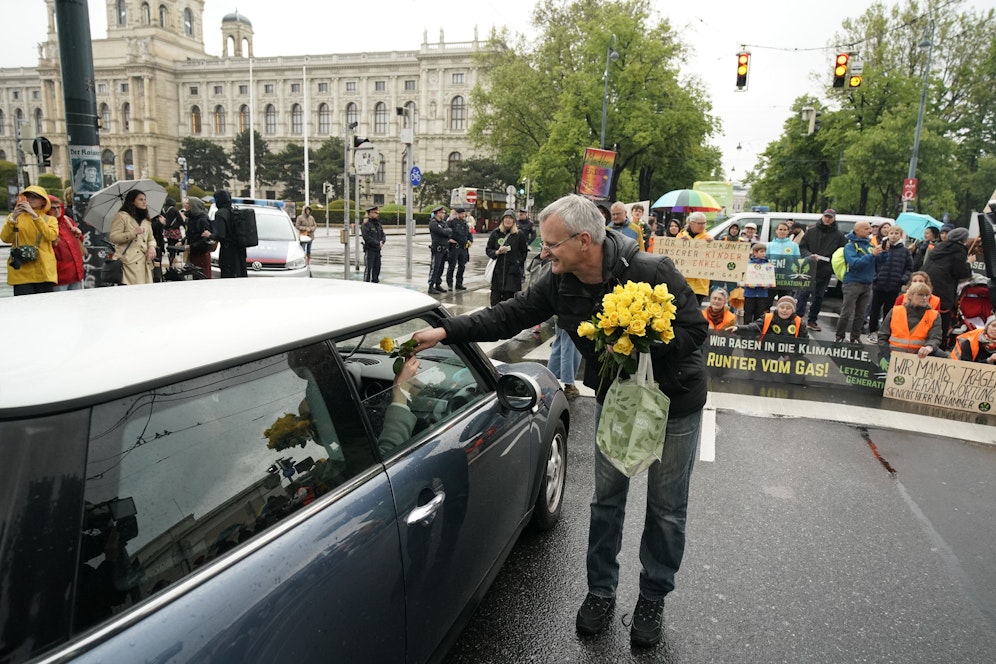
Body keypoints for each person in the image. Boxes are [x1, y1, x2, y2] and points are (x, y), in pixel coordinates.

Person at [411, 194, 708, 649]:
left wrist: (641, 342)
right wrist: (446, 330)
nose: (544, 251)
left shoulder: (651, 270)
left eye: (551, 244)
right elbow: (509, 315)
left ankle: (653, 596)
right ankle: (600, 590)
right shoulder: (558, 281)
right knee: (606, 501)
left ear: (583, 240)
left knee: (666, 509)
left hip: (675, 403)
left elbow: (695, 331)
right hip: (618, 403)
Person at [923, 227, 975, 346]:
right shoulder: (959, 250)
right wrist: (969, 263)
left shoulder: (939, 247)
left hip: (929, 284)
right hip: (944, 289)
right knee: (942, 316)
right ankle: (939, 344)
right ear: (963, 239)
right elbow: (961, 272)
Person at [2, 186, 59, 295]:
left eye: (35, 197)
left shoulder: (50, 219)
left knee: (45, 304)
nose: (31, 199)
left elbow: (51, 236)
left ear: (43, 201)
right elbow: (5, 238)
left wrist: (34, 216)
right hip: (21, 272)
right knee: (24, 304)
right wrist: (13, 218)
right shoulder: (14, 217)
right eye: (27, 196)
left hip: (43, 271)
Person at [796, 209, 846, 332]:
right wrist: (809, 256)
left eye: (830, 217)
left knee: (819, 296)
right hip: (809, 268)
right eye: (826, 216)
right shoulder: (811, 231)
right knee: (803, 294)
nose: (827, 219)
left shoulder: (839, 235)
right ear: (822, 217)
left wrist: (831, 263)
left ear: (834, 218)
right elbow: (802, 247)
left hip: (825, 270)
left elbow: (841, 252)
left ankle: (812, 320)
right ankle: (798, 319)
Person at [835, 221, 878, 344]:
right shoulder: (850, 246)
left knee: (861, 313)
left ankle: (855, 336)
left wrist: (883, 253)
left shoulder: (870, 245)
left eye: (870, 228)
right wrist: (872, 255)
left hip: (867, 283)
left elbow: (879, 262)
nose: (870, 231)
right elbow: (854, 263)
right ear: (857, 230)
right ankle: (839, 336)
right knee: (847, 312)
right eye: (866, 229)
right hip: (853, 283)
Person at [867, 225, 913, 341]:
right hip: (879, 283)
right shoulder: (881, 248)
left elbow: (909, 267)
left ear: (900, 235)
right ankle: (872, 331)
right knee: (874, 310)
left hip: (894, 285)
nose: (893, 236)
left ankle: (885, 333)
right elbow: (873, 263)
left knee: (889, 311)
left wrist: (903, 279)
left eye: (896, 234)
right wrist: (875, 276)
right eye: (891, 233)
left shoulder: (905, 251)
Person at [876, 282, 942, 360]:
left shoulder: (934, 315)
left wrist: (929, 347)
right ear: (910, 296)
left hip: (919, 358)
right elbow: (882, 336)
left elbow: (935, 338)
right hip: (892, 355)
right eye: (920, 295)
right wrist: (887, 355)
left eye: (927, 295)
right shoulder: (895, 311)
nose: (924, 298)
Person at [109, 189, 157, 285]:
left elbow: (151, 238)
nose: (144, 202)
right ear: (132, 201)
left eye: (145, 199)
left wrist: (152, 247)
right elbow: (114, 237)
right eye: (140, 199)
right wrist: (133, 233)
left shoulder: (146, 220)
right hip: (128, 263)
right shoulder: (121, 216)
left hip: (144, 262)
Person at [486, 210, 528, 305]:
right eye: (506, 218)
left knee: (510, 303)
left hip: (512, 275)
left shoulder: (519, 235)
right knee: (495, 302)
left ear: (514, 221)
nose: (508, 220)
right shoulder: (496, 233)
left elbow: (524, 252)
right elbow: (488, 249)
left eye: (510, 218)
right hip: (498, 273)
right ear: (502, 220)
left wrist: (517, 262)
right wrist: (496, 252)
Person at [728, 295, 808, 342]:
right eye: (782, 307)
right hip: (767, 354)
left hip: (788, 355)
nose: (784, 310)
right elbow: (754, 327)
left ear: (793, 310)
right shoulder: (767, 317)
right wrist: (738, 328)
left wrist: (790, 357)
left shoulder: (799, 322)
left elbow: (804, 342)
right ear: (777, 308)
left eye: (788, 308)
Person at [49, 195, 86, 291]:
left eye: (58, 207)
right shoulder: (46, 224)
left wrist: (78, 235)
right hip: (59, 275)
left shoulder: (67, 220)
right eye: (53, 208)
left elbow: (78, 243)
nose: (57, 211)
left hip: (76, 272)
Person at [677, 211, 714, 304]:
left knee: (696, 309)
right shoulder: (680, 236)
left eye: (704, 223)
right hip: (683, 282)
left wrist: (713, 245)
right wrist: (680, 243)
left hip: (700, 285)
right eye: (700, 223)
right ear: (691, 223)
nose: (703, 226)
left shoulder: (708, 238)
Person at [212, 190, 247, 278]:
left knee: (227, 278)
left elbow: (221, 235)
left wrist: (209, 235)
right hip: (239, 251)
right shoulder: (235, 211)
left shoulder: (220, 214)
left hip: (227, 252)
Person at [767, 221, 801, 299]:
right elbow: (765, 260)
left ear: (788, 231)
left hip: (786, 280)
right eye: (780, 229)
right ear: (776, 231)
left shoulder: (794, 246)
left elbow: (797, 261)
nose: (782, 231)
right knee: (767, 302)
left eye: (785, 230)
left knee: (784, 302)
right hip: (772, 278)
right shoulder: (769, 245)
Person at [548, 323, 582, 400]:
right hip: (572, 318)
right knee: (570, 347)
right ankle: (569, 386)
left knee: (559, 344)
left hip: (561, 317)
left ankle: (548, 382)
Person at [742, 242, 772, 325]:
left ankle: (757, 330)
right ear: (754, 252)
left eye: (764, 252)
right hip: (750, 293)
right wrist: (747, 284)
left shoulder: (767, 265)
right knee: (748, 313)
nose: (763, 254)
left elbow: (770, 278)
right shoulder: (748, 264)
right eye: (761, 251)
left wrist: (768, 284)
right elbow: (742, 277)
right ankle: (746, 329)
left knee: (759, 315)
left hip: (762, 294)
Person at [184, 197, 214, 278]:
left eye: (188, 203)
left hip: (202, 253)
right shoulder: (190, 219)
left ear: (194, 206)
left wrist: (191, 246)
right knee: (195, 276)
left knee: (203, 276)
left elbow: (206, 239)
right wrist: (182, 241)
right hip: (193, 252)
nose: (185, 205)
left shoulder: (202, 219)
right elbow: (189, 234)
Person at [446, 207, 473, 290]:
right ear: (457, 214)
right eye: (461, 214)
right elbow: (446, 232)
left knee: (462, 266)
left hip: (463, 248)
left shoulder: (464, 223)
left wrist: (470, 241)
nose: (463, 215)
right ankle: (450, 284)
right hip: (454, 248)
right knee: (452, 266)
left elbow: (469, 234)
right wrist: (449, 239)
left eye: (463, 213)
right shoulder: (451, 222)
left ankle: (459, 283)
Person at [427, 205, 451, 294]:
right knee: (435, 268)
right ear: (437, 213)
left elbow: (449, 232)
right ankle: (431, 286)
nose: (444, 214)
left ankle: (438, 284)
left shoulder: (443, 223)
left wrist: (446, 231)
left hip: (444, 249)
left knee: (441, 268)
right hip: (437, 249)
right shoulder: (433, 223)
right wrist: (445, 231)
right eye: (442, 213)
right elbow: (441, 232)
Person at [361, 205, 385, 283]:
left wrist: (382, 242)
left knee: (377, 269)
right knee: (368, 270)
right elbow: (366, 237)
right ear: (370, 213)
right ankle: (366, 285)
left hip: (377, 251)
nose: (377, 214)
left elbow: (383, 234)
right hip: (370, 250)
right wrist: (377, 243)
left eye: (377, 212)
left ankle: (375, 284)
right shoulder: (366, 224)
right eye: (375, 212)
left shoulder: (378, 224)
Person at [161, 197, 186, 266]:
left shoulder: (163, 209)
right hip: (174, 230)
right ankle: (173, 257)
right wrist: (184, 225)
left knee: (169, 243)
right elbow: (180, 219)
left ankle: (170, 256)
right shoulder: (174, 209)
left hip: (166, 230)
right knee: (175, 244)